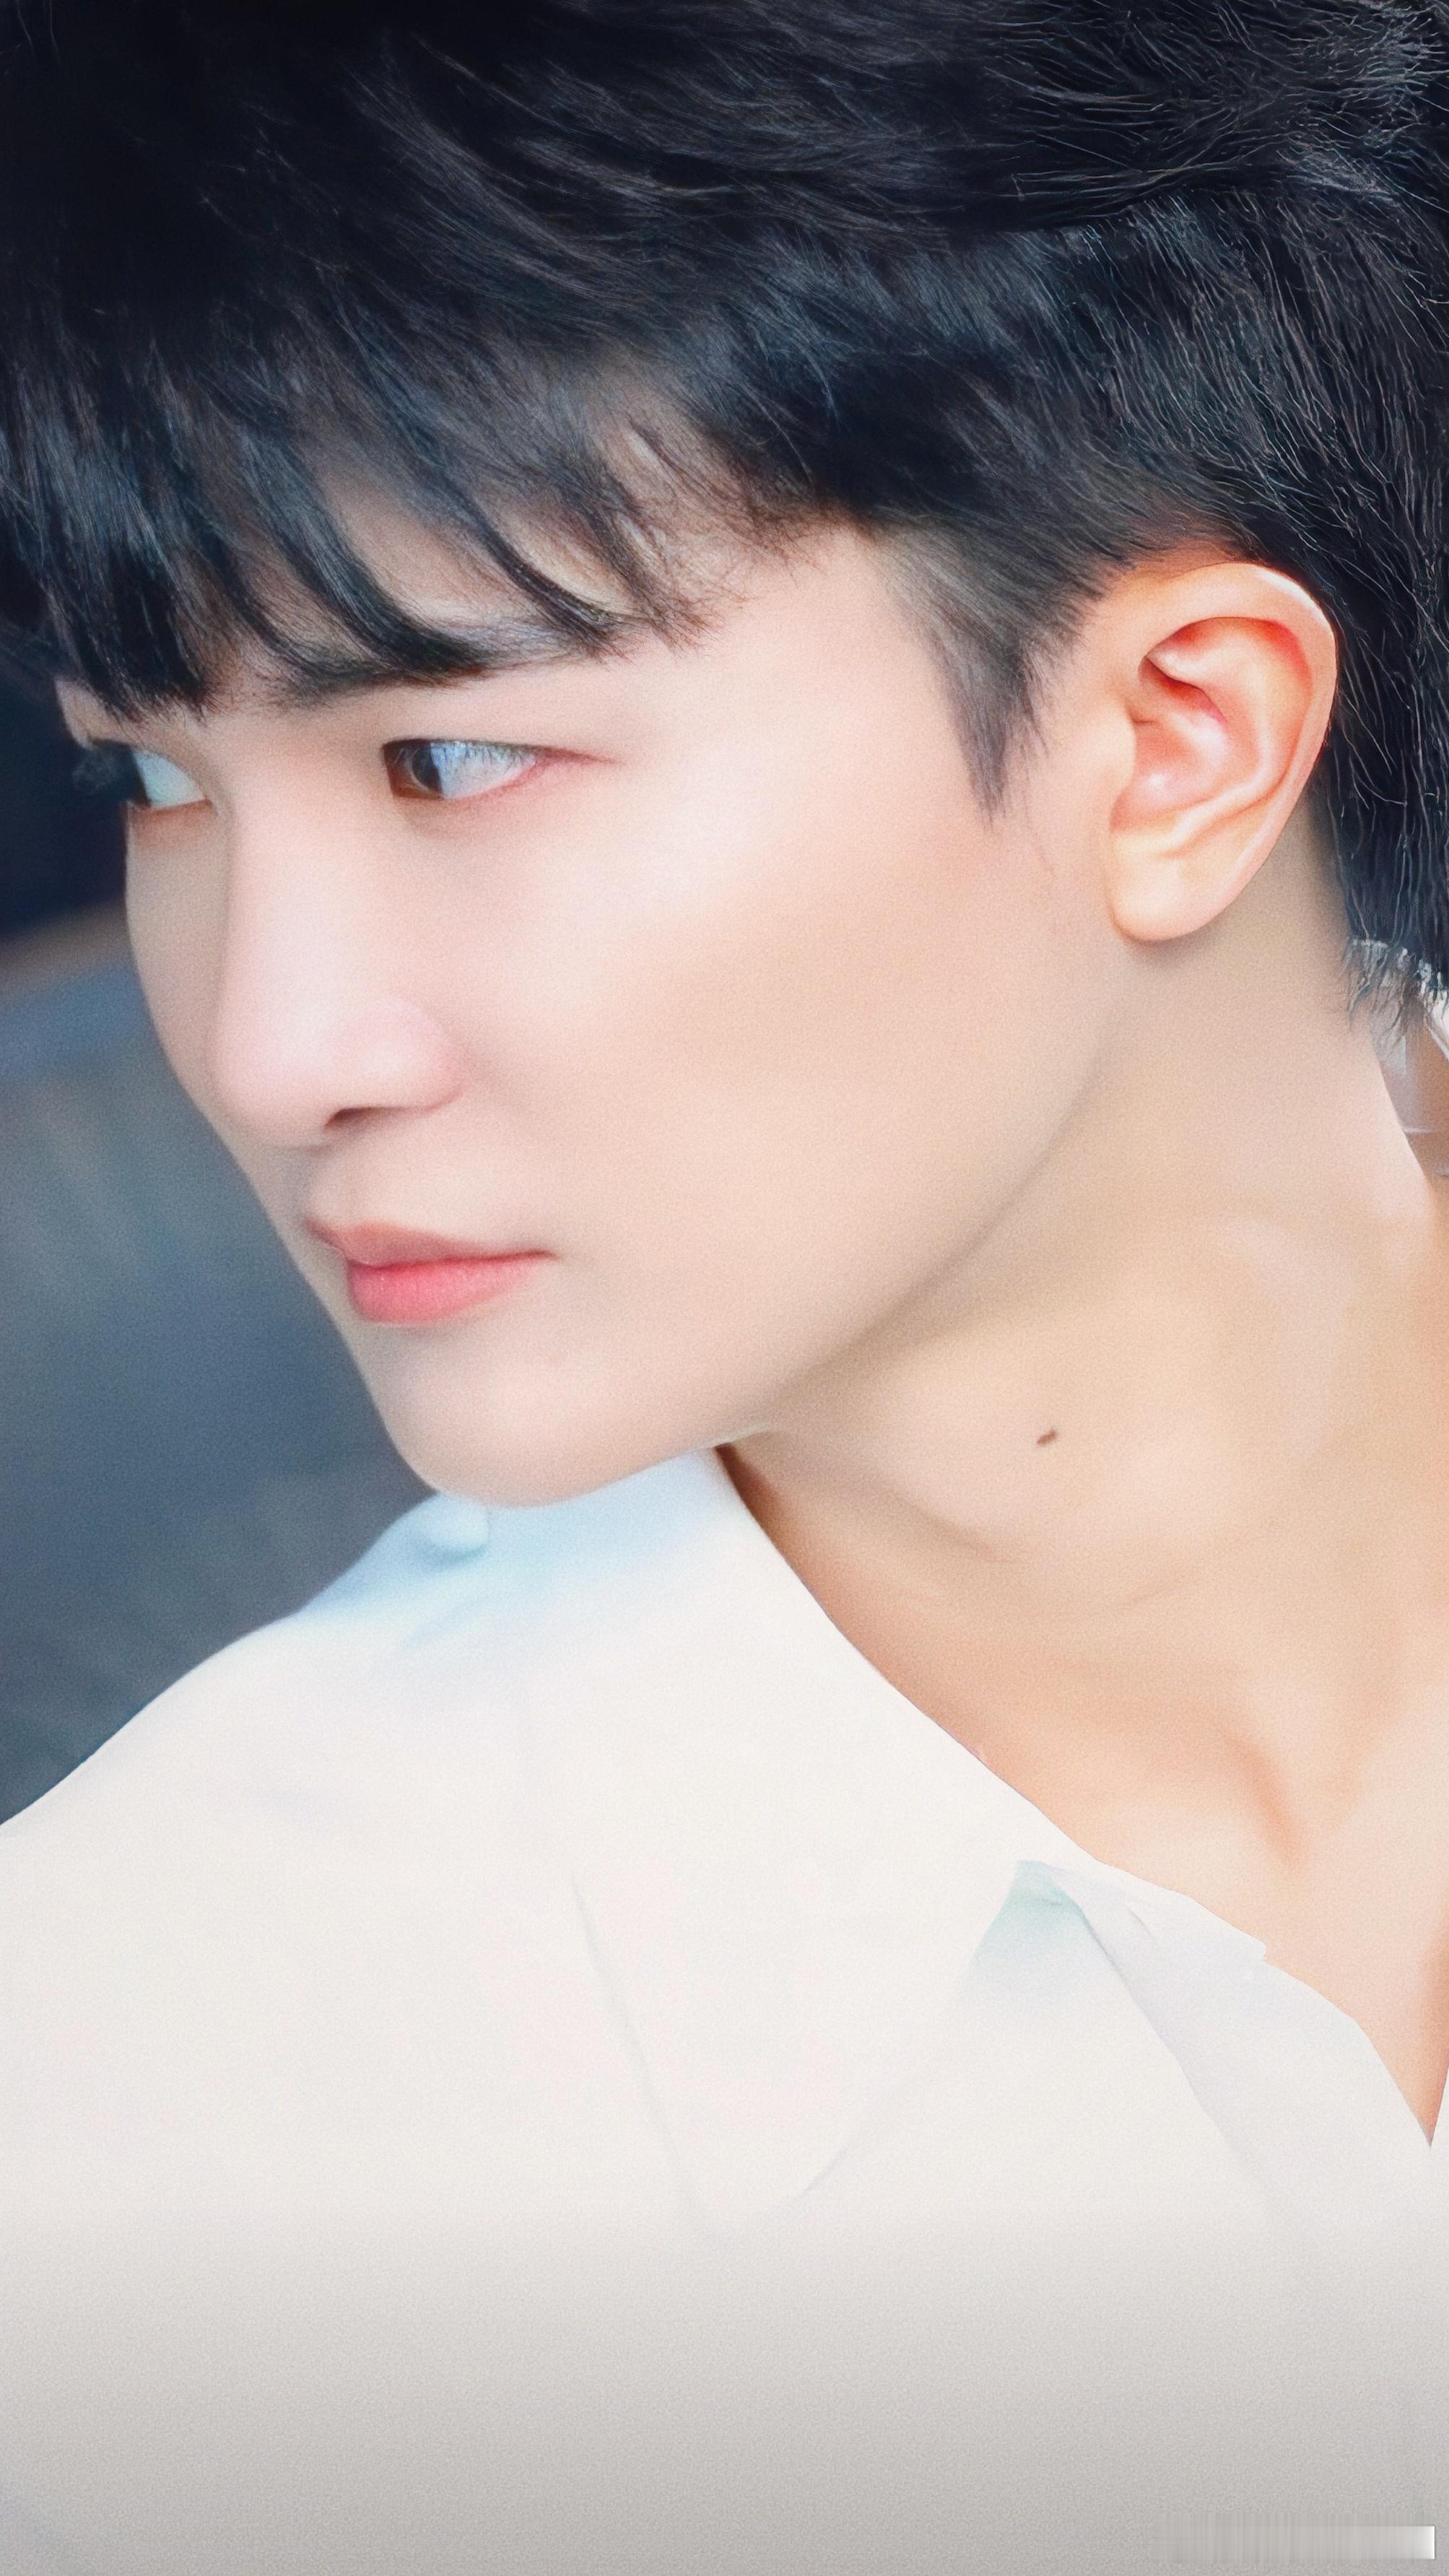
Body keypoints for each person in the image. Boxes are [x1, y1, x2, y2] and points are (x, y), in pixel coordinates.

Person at [1, 1, 1448, 2568]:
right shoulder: (146, 2134)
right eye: (161, 782)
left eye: (453, 758)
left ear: (1180, 739)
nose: (265, 1044)